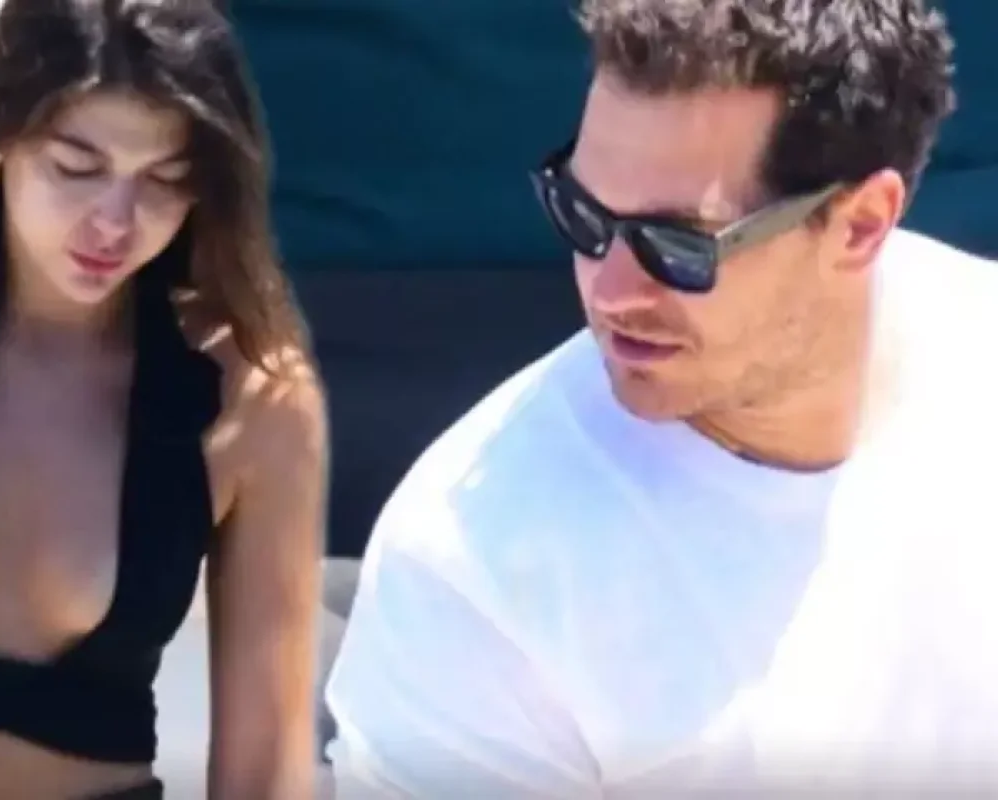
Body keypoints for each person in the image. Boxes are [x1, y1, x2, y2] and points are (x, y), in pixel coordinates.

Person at [325, 0, 998, 796]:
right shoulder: (472, 560)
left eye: (677, 245)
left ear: (859, 225)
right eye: (582, 215)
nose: (609, 290)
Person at [0, 1, 326, 798]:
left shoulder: (251, 395)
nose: (114, 221)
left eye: (165, 181)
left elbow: (264, 768)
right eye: (76, 168)